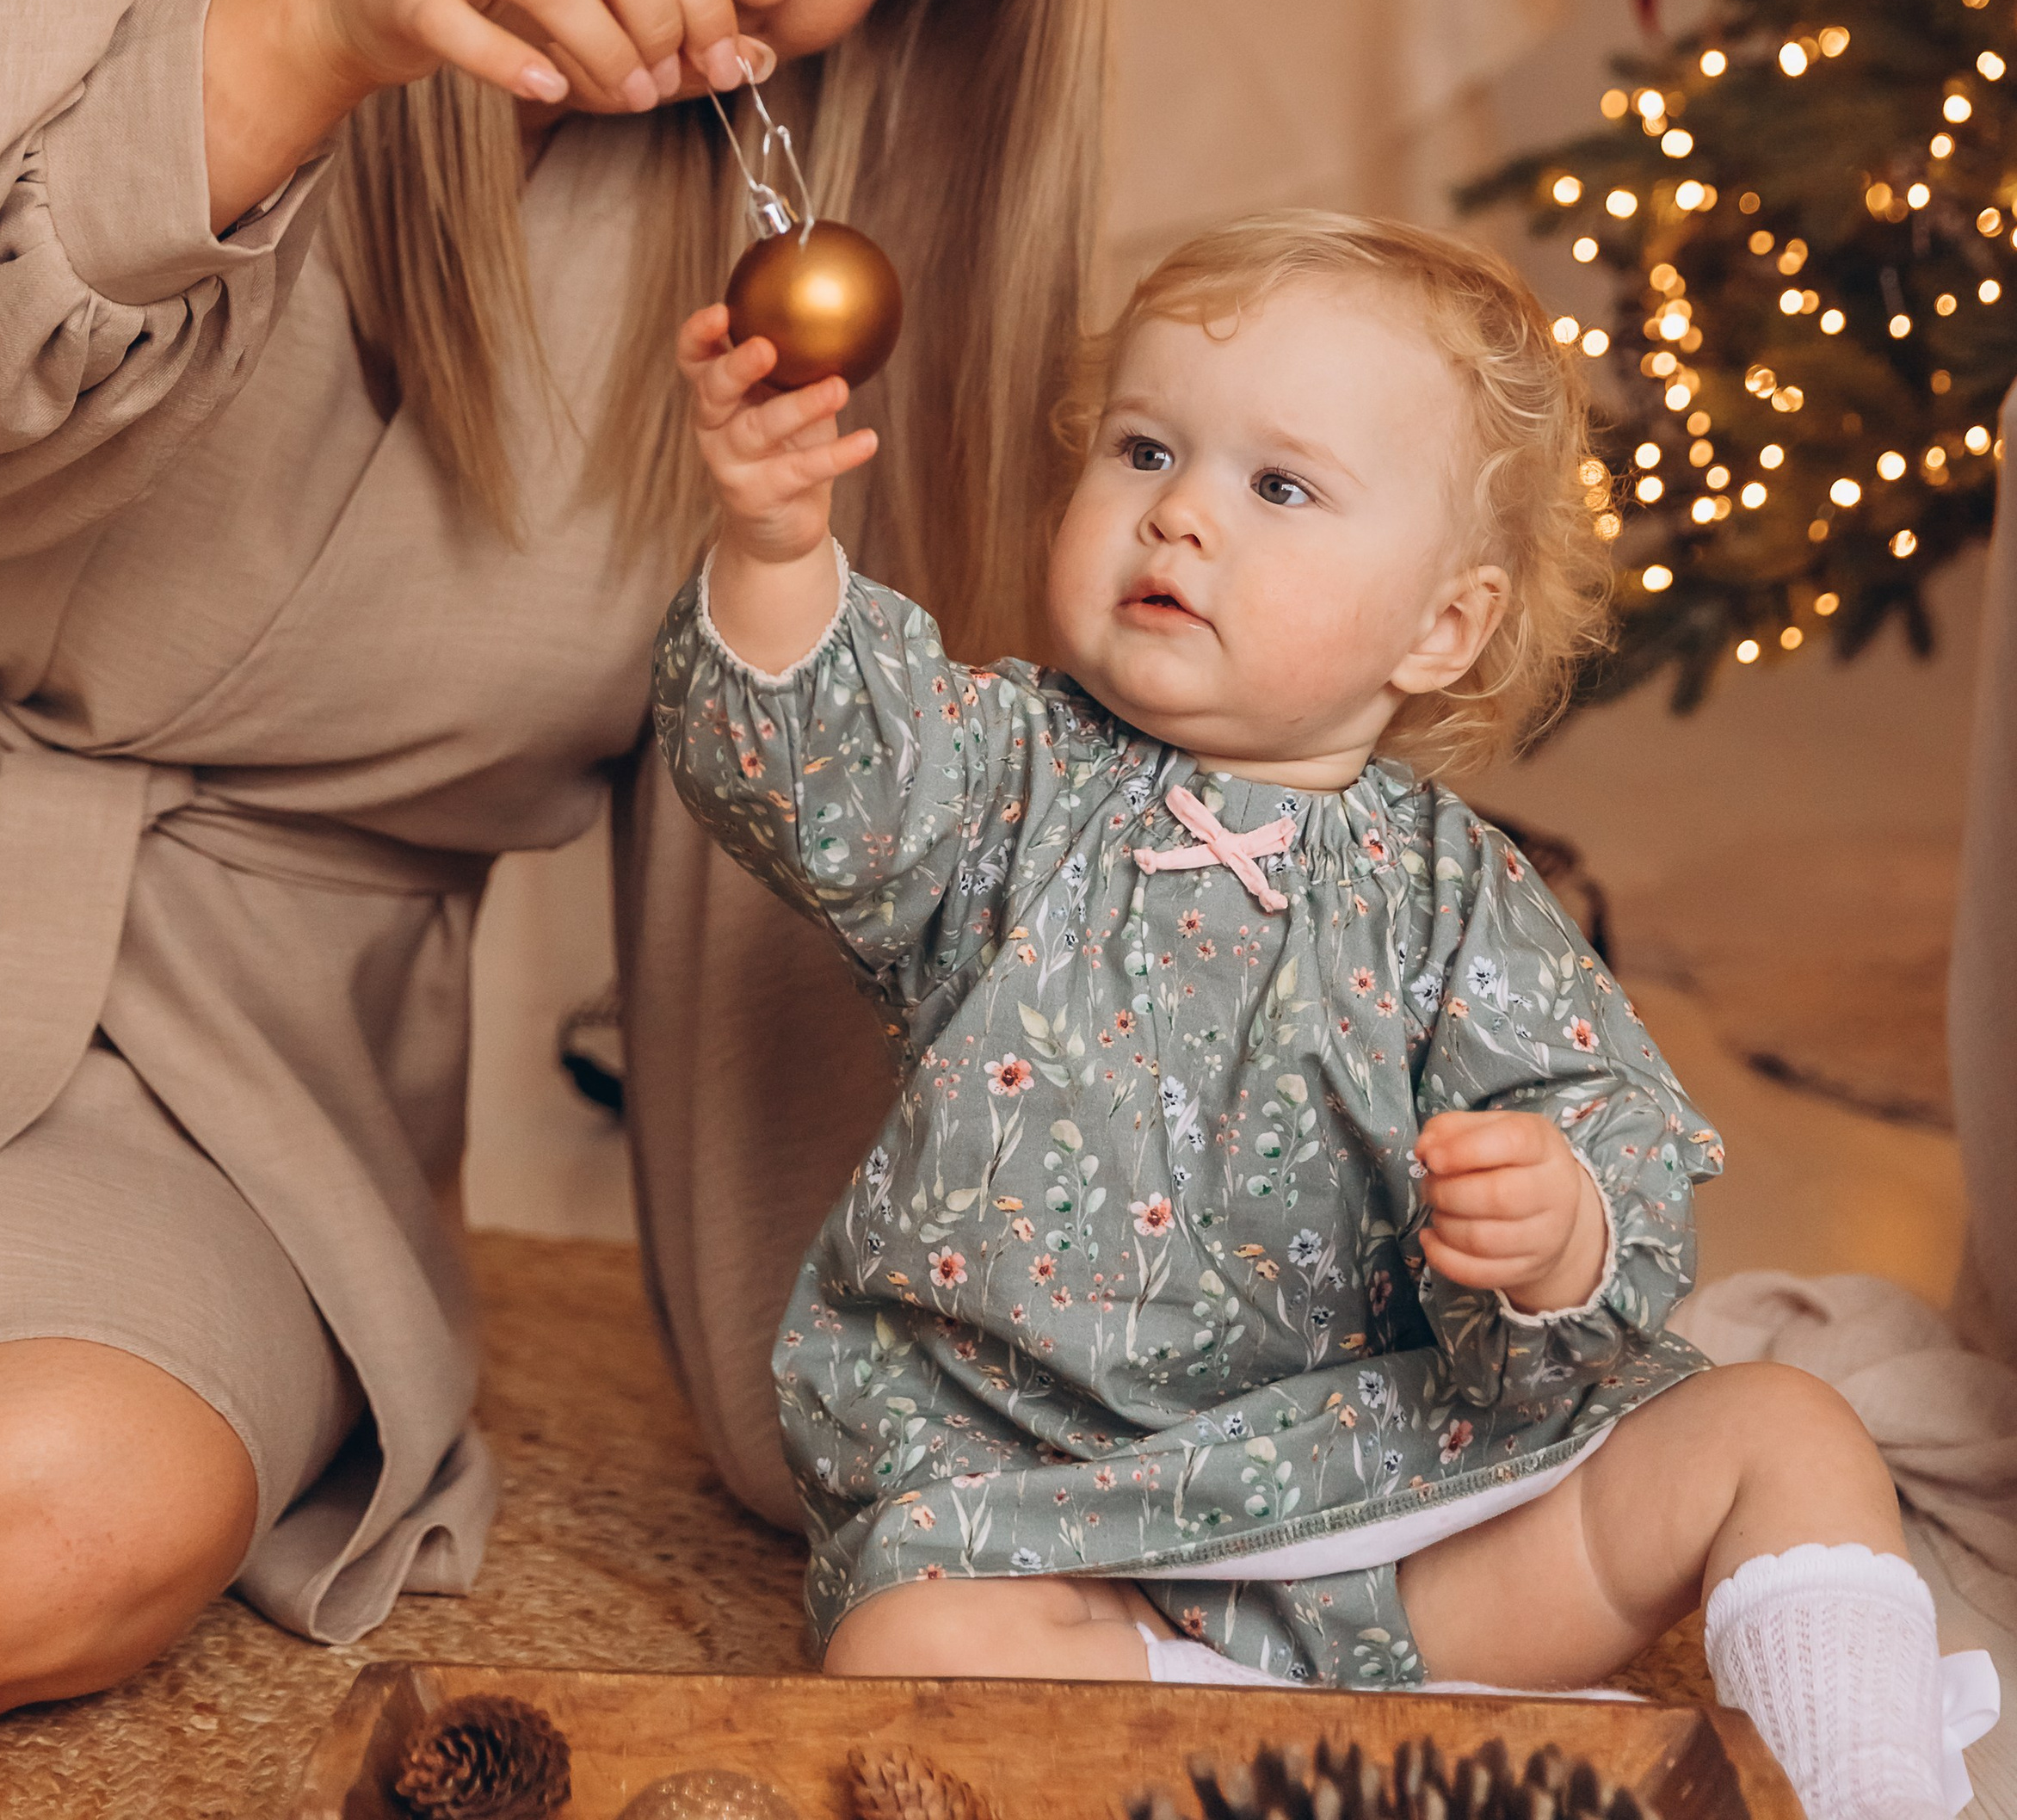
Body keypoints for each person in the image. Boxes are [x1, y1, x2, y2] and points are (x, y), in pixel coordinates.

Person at [0, 0, 1112, 1718]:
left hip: (219, 1074)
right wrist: (312, 22)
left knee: (32, 1529)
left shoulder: (820, 238)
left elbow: (811, 862)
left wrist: (876, 1409)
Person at [660, 207, 2000, 1820]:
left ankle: (1865, 1787)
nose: (1181, 521)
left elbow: (1612, 1146)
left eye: (1276, 486)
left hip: (1400, 1503)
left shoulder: (1459, 897)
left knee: (1785, 1426)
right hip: (1047, 1511)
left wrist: (1560, 1225)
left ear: (1443, 627)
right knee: (902, 1650)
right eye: (1146, 450)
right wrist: (778, 546)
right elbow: (816, 767)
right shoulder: (1008, 781)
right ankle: (1290, 1751)